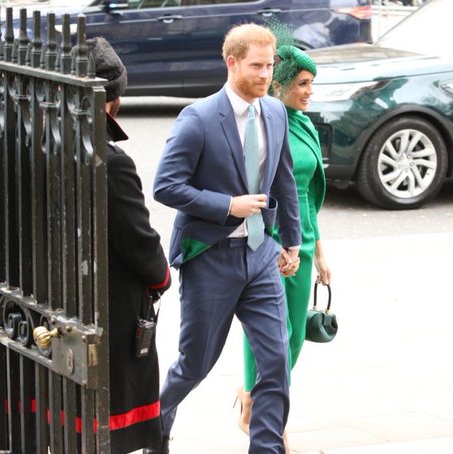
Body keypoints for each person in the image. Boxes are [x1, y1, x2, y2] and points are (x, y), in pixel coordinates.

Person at [146, 23, 302, 454]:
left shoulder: (274, 112)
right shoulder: (197, 118)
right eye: (256, 65)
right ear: (231, 62)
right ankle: (152, 426)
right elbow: (165, 186)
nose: (265, 75)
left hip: (260, 254)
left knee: (275, 362)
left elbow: (284, 181)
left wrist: (291, 240)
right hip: (210, 257)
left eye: (270, 66)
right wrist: (227, 205)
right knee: (194, 365)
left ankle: (266, 448)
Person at [236, 44, 331, 444]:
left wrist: (320, 248)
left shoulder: (303, 122)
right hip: (275, 242)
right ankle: (257, 406)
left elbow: (306, 193)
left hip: (303, 242)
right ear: (279, 85)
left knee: (292, 336)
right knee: (270, 330)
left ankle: (260, 403)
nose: (309, 91)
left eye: (311, 84)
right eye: (302, 84)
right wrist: (272, 245)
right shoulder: (268, 125)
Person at [85, 37, 172, 453]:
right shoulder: (110, 160)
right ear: (113, 99)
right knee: (108, 409)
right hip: (108, 303)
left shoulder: (33, 142)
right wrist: (161, 278)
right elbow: (140, 242)